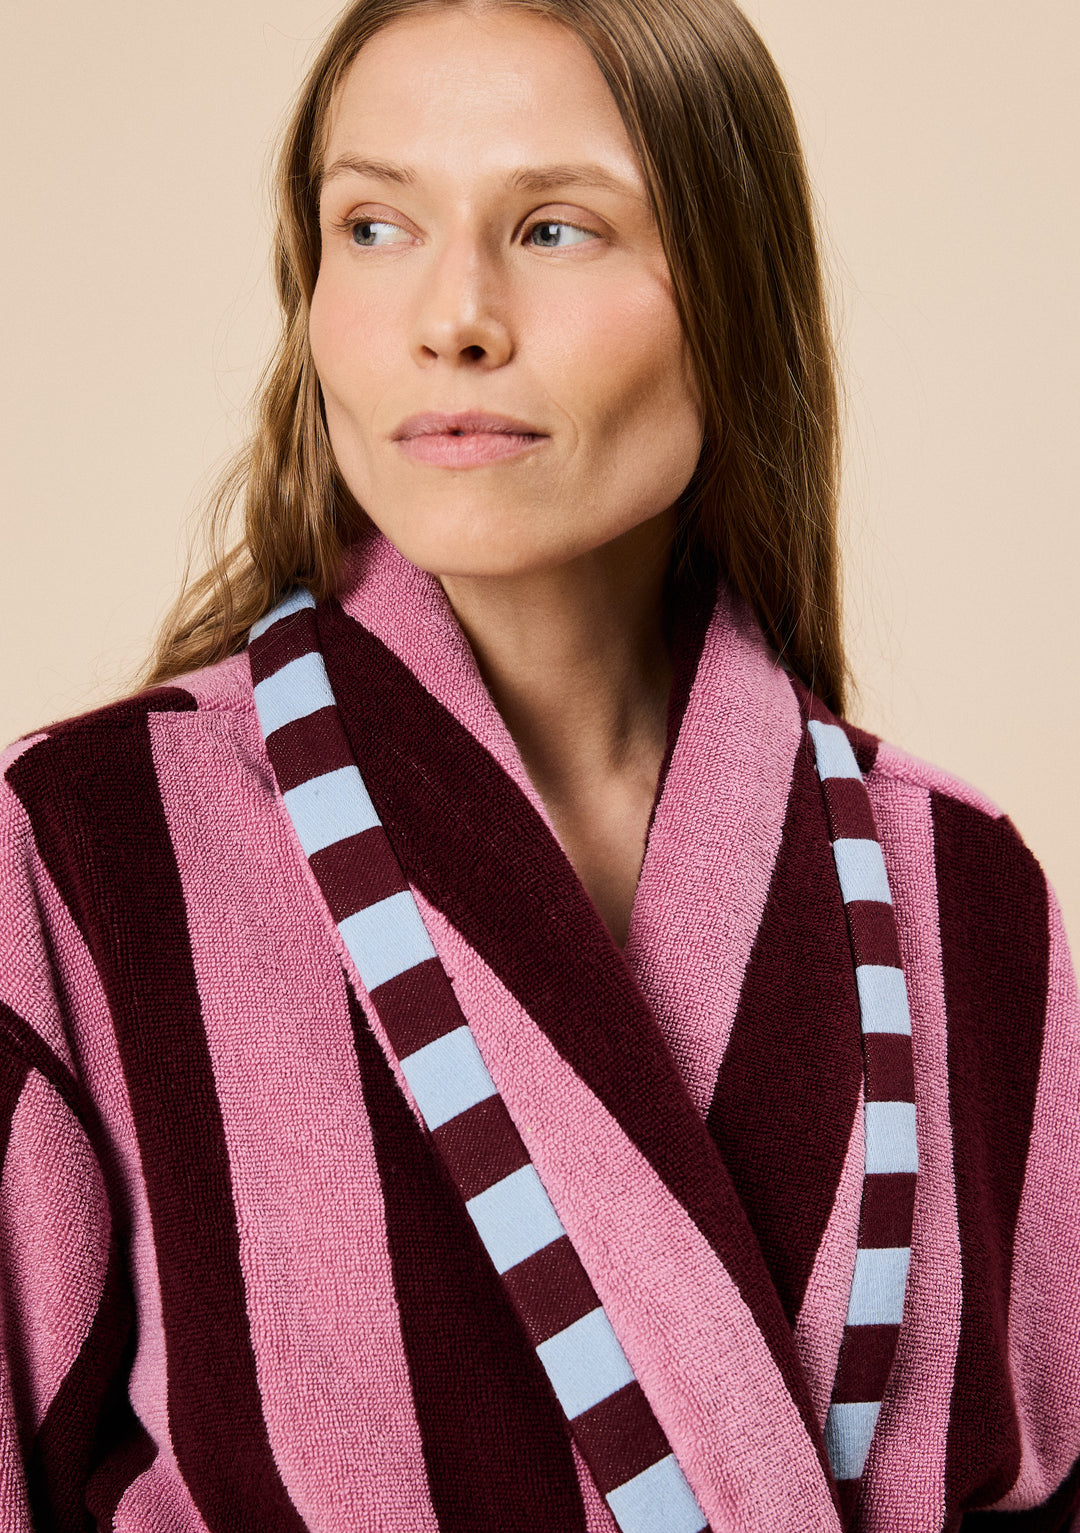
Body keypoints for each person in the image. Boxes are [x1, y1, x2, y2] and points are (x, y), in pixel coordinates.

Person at [1, 0, 1077, 1528]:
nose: (455, 316)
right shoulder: (78, 855)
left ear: (732, 288)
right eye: (373, 225)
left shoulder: (963, 885)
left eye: (557, 228)